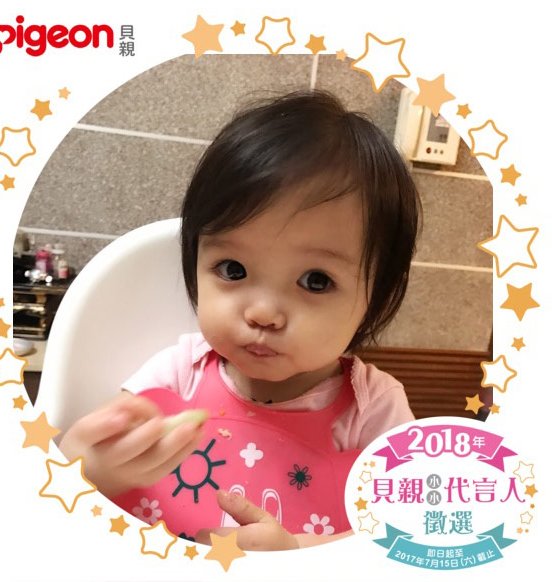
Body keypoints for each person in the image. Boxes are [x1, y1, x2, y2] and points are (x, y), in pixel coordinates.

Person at [59, 89, 420, 551]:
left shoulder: (372, 409)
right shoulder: (179, 373)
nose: (263, 313)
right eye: (233, 270)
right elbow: (73, 486)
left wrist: (297, 555)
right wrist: (90, 466)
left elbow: (408, 534)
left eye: (315, 281)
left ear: (376, 296)